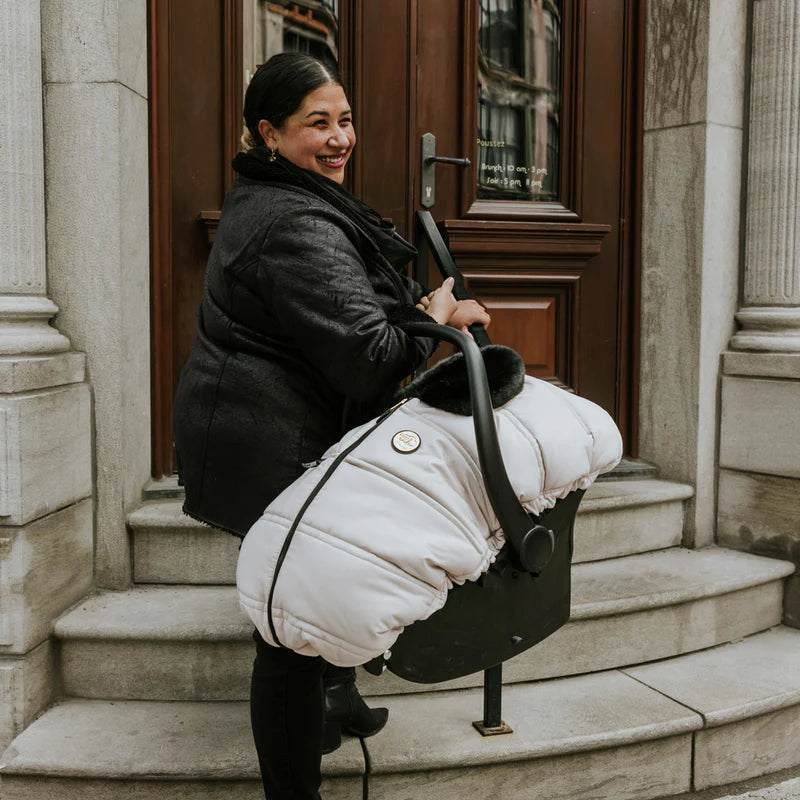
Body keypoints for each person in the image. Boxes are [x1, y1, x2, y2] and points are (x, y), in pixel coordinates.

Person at [172, 52, 490, 799]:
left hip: (284, 422)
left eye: (344, 119)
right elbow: (373, 359)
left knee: (328, 579)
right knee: (288, 627)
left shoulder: (295, 198)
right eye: (318, 123)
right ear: (269, 134)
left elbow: (349, 310)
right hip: (267, 437)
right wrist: (434, 316)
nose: (341, 137)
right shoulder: (289, 221)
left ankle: (337, 701)